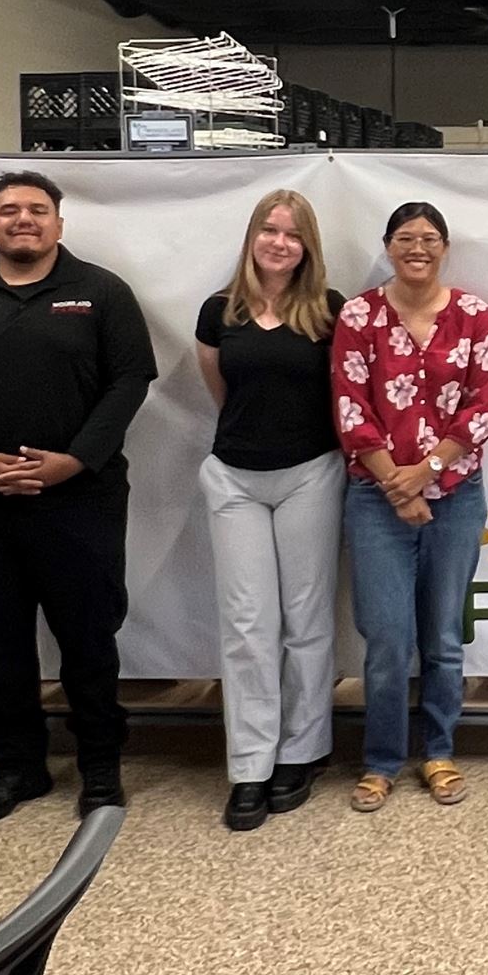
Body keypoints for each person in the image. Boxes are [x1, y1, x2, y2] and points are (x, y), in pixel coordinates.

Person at [0, 171, 157, 826]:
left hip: (80, 500)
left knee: (89, 640)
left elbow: (130, 380)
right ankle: (17, 766)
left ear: (58, 224)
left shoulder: (101, 292)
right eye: (9, 210)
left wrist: (75, 460)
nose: (23, 220)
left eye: (38, 210)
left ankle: (100, 766)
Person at [333, 201, 488, 812]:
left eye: (430, 238)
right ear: (388, 246)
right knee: (386, 638)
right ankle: (380, 761)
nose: (418, 248)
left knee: (444, 637)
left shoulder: (473, 315)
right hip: (376, 500)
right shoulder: (359, 316)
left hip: (456, 496)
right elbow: (351, 409)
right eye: (406, 238)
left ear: (445, 248)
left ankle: (438, 752)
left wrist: (425, 473)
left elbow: (482, 407)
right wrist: (396, 487)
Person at [197, 189, 346, 833]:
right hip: (235, 478)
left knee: (306, 620)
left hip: (310, 473)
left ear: (308, 246)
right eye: (269, 230)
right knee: (247, 624)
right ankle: (250, 764)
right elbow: (219, 390)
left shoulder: (329, 312)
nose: (279, 243)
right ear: (252, 237)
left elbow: (341, 393)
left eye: (292, 234)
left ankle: (301, 752)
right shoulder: (218, 312)